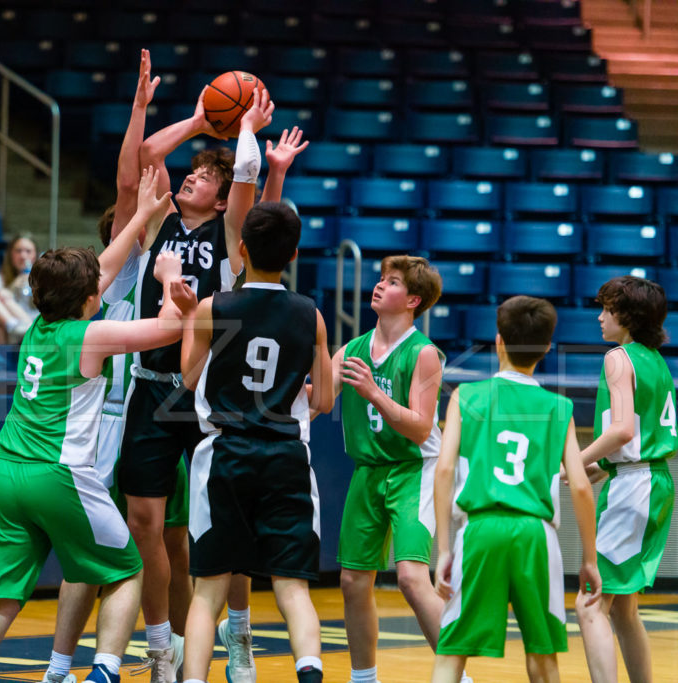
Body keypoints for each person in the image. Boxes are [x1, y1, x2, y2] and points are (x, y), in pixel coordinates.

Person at [0, 167, 193, 683]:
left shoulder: (39, 325)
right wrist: (167, 278)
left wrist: (143, 213)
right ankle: (104, 671)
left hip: (3, 475)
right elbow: (169, 326)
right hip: (58, 474)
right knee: (127, 571)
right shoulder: (90, 335)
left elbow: (99, 270)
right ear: (88, 297)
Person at [118, 81, 274, 683]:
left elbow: (246, 181)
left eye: (205, 176)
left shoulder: (228, 231)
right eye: (194, 173)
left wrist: (241, 133)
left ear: (218, 197)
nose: (192, 178)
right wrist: (197, 120)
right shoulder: (156, 219)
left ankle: (238, 635)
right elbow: (144, 159)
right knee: (143, 522)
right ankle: (162, 647)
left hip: (211, 391)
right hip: (153, 384)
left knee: (222, 521)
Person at [178, 201, 334, 683]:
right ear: (293, 253)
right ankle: (309, 673)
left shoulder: (213, 307)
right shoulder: (311, 315)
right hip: (286, 457)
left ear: (242, 248)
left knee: (208, 592)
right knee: (293, 590)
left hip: (226, 455)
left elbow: (187, 378)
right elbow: (324, 399)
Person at [431, 295, 602, 683]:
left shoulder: (465, 397)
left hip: (480, 530)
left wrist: (443, 549)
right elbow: (579, 486)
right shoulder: (559, 407)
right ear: (545, 348)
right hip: (535, 535)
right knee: (543, 655)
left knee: (452, 651)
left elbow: (443, 471)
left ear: (498, 342)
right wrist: (589, 559)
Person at [330, 255, 454, 683]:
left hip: (414, 469)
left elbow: (421, 428)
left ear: (413, 300)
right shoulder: (349, 349)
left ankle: (456, 674)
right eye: (381, 279)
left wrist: (371, 392)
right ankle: (364, 677)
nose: (380, 286)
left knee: (411, 577)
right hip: (369, 469)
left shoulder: (424, 355)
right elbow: (318, 400)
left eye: (393, 282)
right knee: (351, 580)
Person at [574, 276, 678, 683]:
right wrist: (599, 468)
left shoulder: (619, 357)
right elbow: (639, 437)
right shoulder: (656, 360)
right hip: (652, 481)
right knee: (623, 606)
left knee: (590, 603)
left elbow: (621, 432)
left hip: (635, 486)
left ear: (628, 316)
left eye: (607, 309)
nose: (600, 317)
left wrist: (573, 460)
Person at [0, 234, 40, 341]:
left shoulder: (44, 280)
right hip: (11, 334)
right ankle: (24, 328)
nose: (23, 256)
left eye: (28, 251)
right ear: (11, 254)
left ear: (35, 255)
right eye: (18, 251)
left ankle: (31, 330)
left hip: (39, 330)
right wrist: (11, 288)